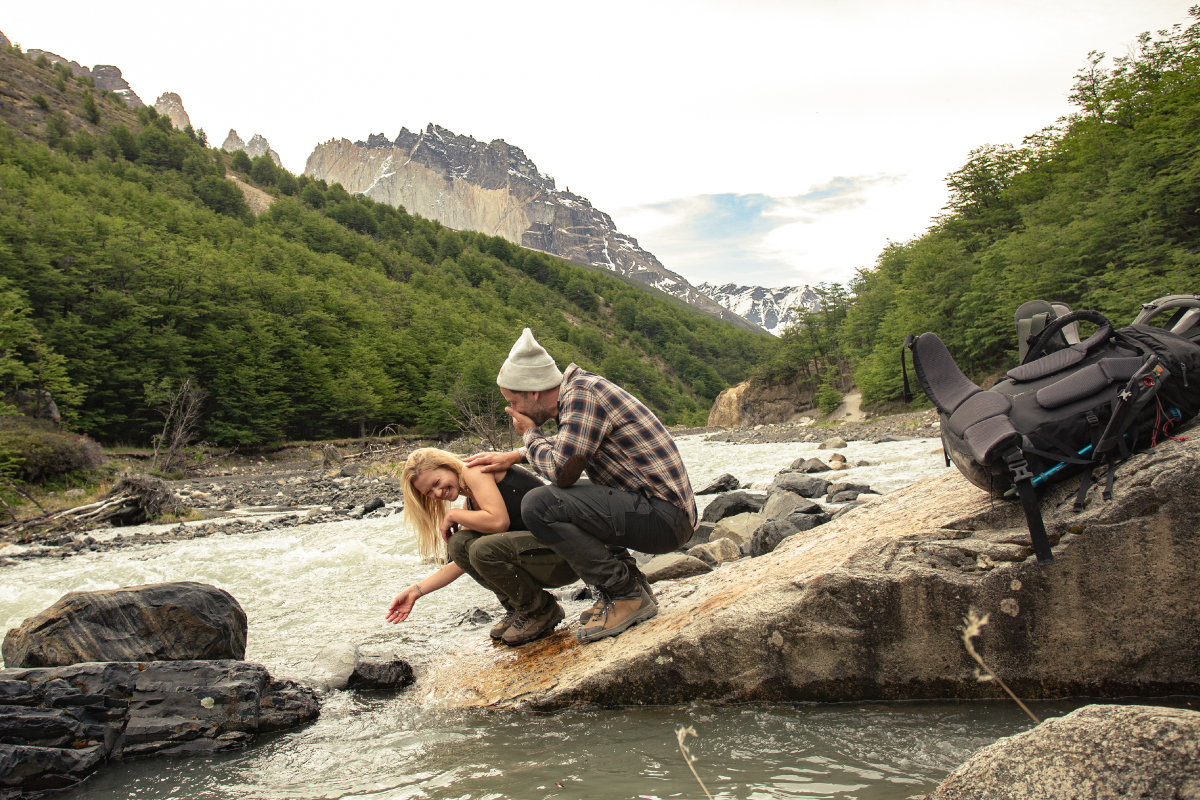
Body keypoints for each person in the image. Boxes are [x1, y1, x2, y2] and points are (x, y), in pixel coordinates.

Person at [465, 328, 697, 644]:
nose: (512, 412)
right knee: (572, 498)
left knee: (539, 504)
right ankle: (633, 588)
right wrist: (515, 456)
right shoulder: (578, 392)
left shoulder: (581, 395)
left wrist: (530, 435)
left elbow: (562, 472)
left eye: (512, 402)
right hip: (661, 511)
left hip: (665, 518)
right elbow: (572, 446)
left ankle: (623, 593)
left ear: (532, 393)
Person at [385, 448, 578, 646]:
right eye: (429, 493)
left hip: (570, 557)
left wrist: (452, 516)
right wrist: (416, 591)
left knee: (482, 547)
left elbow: (498, 522)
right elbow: (462, 562)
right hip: (548, 560)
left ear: (447, 466)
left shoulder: (474, 471)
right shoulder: (470, 505)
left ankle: (540, 610)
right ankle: (518, 608)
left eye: (436, 483)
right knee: (459, 544)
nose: (437, 493)